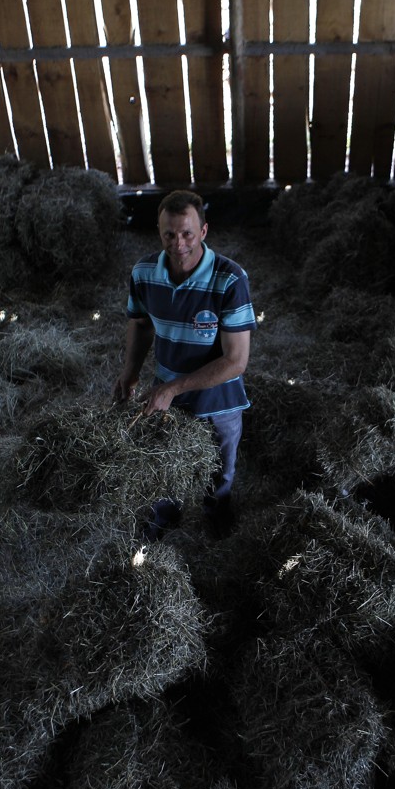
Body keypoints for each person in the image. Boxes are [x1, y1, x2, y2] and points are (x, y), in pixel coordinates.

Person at [112, 190, 256, 538]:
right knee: (163, 464)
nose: (178, 243)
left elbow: (236, 361)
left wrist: (173, 388)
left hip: (218, 401)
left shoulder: (230, 279)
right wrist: (130, 372)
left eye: (187, 233)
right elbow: (142, 323)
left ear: (204, 231)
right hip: (166, 398)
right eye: (169, 234)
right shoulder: (144, 272)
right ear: (159, 232)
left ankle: (216, 516)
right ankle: (163, 519)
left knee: (220, 468)